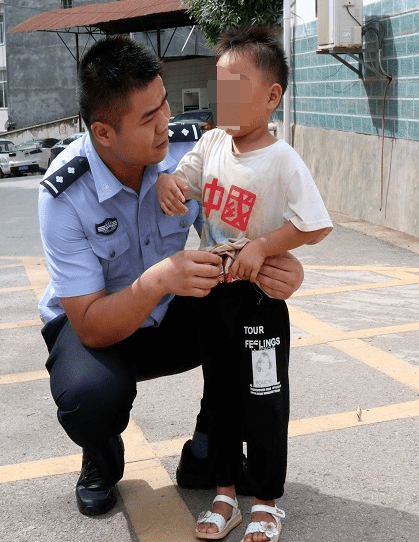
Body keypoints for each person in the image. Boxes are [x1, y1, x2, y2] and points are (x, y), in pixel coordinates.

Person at [36, 35, 305, 523]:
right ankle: (100, 457)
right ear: (103, 133)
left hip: (175, 312)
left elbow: (238, 231)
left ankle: (207, 450)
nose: (165, 123)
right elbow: (91, 324)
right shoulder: (64, 194)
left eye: (164, 104)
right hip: (99, 326)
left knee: (252, 318)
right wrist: (157, 281)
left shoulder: (191, 149)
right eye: (148, 118)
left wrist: (278, 264)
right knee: (89, 397)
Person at [156, 25, 332, 542]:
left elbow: (315, 224)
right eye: (221, 87)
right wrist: (167, 182)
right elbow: (181, 180)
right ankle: (225, 496)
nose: (225, 98)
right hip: (214, 299)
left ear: (272, 96)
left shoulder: (282, 160)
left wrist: (265, 246)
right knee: (220, 398)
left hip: (260, 304)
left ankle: (267, 503)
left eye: (238, 87)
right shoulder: (212, 143)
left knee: (264, 400)